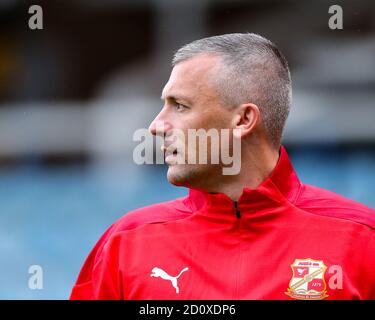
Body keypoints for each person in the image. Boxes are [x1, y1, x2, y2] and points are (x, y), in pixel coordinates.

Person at [70, 33, 375, 300]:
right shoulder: (126, 244)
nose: (156, 126)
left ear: (243, 120)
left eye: (180, 106)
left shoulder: (362, 239)